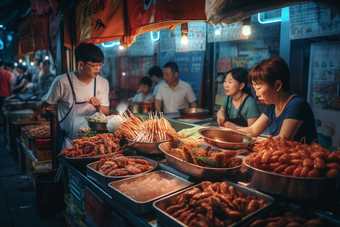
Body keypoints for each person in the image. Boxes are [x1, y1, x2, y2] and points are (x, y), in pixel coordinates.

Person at [31, 43, 110, 153]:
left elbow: (106, 112)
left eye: (100, 64)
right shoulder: (62, 82)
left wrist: (98, 107)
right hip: (69, 142)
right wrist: (35, 115)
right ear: (81, 64)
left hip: (94, 142)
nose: (98, 68)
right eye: (94, 65)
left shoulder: (103, 82)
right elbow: (46, 103)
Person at [238, 56, 317, 144]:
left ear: (278, 85)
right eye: (255, 89)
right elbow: (253, 130)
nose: (257, 94)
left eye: (259, 88)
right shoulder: (271, 106)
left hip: (304, 156)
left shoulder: (297, 104)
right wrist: (229, 132)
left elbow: (282, 140)